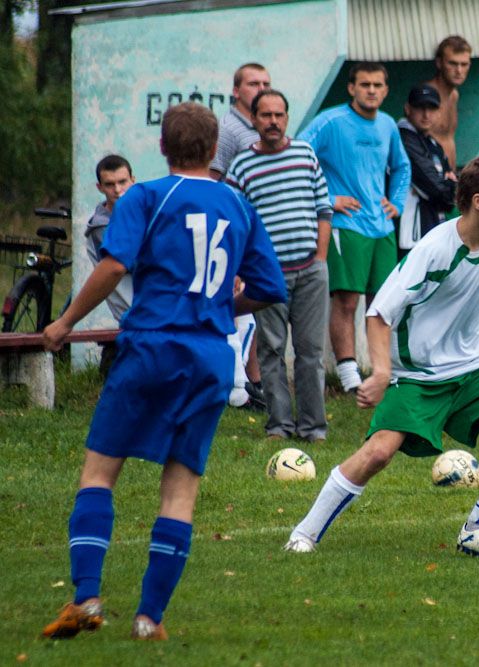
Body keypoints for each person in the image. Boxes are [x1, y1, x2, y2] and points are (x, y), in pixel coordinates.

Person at [40, 102, 286, 640]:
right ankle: (149, 620)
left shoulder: (147, 196)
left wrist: (64, 323)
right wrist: (220, 305)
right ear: (215, 144)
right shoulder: (239, 205)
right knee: (180, 491)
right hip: (210, 359)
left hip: (152, 347)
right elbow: (270, 288)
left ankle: (86, 598)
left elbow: (113, 265)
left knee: (100, 472)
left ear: (161, 147)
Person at [283, 156, 479, 561]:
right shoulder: (433, 250)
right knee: (378, 454)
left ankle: (478, 530)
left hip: (472, 367)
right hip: (418, 375)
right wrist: (383, 370)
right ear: (478, 201)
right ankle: (304, 533)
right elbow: (378, 313)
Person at [226, 89, 333, 441]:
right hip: (268, 277)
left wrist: (319, 258)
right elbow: (235, 224)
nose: (273, 121)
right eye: (265, 115)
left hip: (310, 271)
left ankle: (313, 427)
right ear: (254, 119)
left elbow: (323, 208)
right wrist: (241, 270)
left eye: (279, 115)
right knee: (271, 351)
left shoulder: (304, 154)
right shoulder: (241, 165)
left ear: (287, 118)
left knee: (310, 352)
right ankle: (279, 426)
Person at [299, 61, 411, 394]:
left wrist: (397, 203)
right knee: (347, 301)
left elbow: (402, 168)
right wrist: (329, 199)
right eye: (365, 85)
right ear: (352, 88)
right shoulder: (331, 121)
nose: (372, 91)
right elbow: (297, 157)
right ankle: (348, 377)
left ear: (385, 90)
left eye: (378, 85)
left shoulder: (388, 124)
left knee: (384, 303)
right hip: (346, 225)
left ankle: (381, 370)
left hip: (382, 228)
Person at [210, 62, 273, 407]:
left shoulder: (263, 125)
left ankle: (253, 382)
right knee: (242, 307)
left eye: (266, 82)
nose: (260, 88)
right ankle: (242, 384)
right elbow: (213, 180)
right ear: (237, 91)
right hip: (237, 235)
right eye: (253, 83)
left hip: (261, 232)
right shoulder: (229, 129)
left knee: (258, 309)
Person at [84, 154, 135, 377]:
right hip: (133, 310)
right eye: (110, 184)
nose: (117, 189)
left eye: (122, 182)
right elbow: (135, 264)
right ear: (100, 187)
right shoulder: (100, 227)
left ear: (133, 180)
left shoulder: (137, 214)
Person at [396, 83, 457, 257]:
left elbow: (448, 195)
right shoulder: (403, 138)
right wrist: (448, 184)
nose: (426, 114)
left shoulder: (433, 144)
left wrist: (448, 185)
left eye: (431, 108)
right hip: (408, 232)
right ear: (408, 109)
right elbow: (436, 188)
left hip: (430, 225)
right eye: (420, 108)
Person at [426, 35, 472, 171]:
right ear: (439, 63)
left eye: (464, 64)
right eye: (452, 63)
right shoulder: (427, 95)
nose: (459, 71)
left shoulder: (454, 95)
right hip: (430, 180)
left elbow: (448, 140)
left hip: (449, 178)